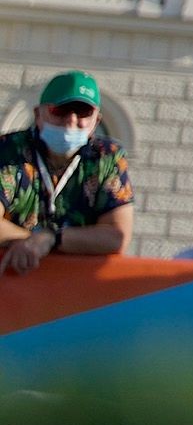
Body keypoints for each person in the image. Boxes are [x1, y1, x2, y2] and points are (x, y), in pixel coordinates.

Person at [0, 71, 133, 274]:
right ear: (38, 115)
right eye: (59, 110)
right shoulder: (8, 150)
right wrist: (34, 242)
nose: (71, 120)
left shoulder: (107, 157)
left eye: (83, 112)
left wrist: (50, 239)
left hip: (77, 292)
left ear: (96, 121)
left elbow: (116, 237)